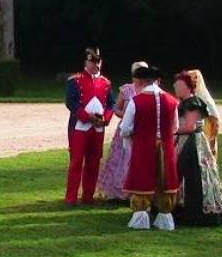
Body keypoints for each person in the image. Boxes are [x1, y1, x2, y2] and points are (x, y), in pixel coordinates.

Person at [120, 65, 180, 230]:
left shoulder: (136, 101)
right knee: (165, 180)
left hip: (143, 146)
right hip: (166, 147)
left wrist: (133, 135)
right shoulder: (172, 100)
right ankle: (165, 216)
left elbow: (125, 128)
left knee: (142, 179)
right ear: (158, 81)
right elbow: (175, 128)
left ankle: (141, 218)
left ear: (141, 81)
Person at [172, 70, 222, 227]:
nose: (175, 87)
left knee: (192, 174)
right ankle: (179, 206)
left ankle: (193, 211)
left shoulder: (192, 103)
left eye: (179, 85)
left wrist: (171, 130)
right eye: (175, 85)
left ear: (188, 87)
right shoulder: (184, 102)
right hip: (185, 141)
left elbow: (191, 126)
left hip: (192, 144)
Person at [63, 47, 115, 206]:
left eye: (97, 62)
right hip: (80, 127)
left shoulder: (105, 82)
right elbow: (71, 102)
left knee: (93, 162)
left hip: (97, 128)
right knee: (76, 161)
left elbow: (111, 104)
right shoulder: (75, 81)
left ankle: (88, 195)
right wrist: (87, 117)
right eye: (92, 62)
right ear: (86, 62)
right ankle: (71, 197)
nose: (95, 65)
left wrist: (105, 118)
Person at [95, 61, 148, 202]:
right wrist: (125, 114)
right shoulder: (126, 90)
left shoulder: (149, 89)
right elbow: (115, 108)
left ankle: (137, 191)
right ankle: (119, 192)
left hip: (142, 129)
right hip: (126, 128)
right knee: (121, 158)